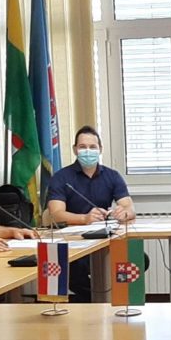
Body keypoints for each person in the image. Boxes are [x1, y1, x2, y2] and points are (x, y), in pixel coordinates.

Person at [45, 125, 136, 301]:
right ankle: (94, 300)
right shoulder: (61, 177)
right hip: (74, 242)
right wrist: (84, 218)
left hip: (105, 239)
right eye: (82, 147)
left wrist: (123, 213)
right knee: (75, 270)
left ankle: (108, 297)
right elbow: (55, 214)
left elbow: (129, 208)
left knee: (137, 259)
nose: (88, 151)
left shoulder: (112, 176)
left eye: (92, 147)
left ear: (100, 149)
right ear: (75, 150)